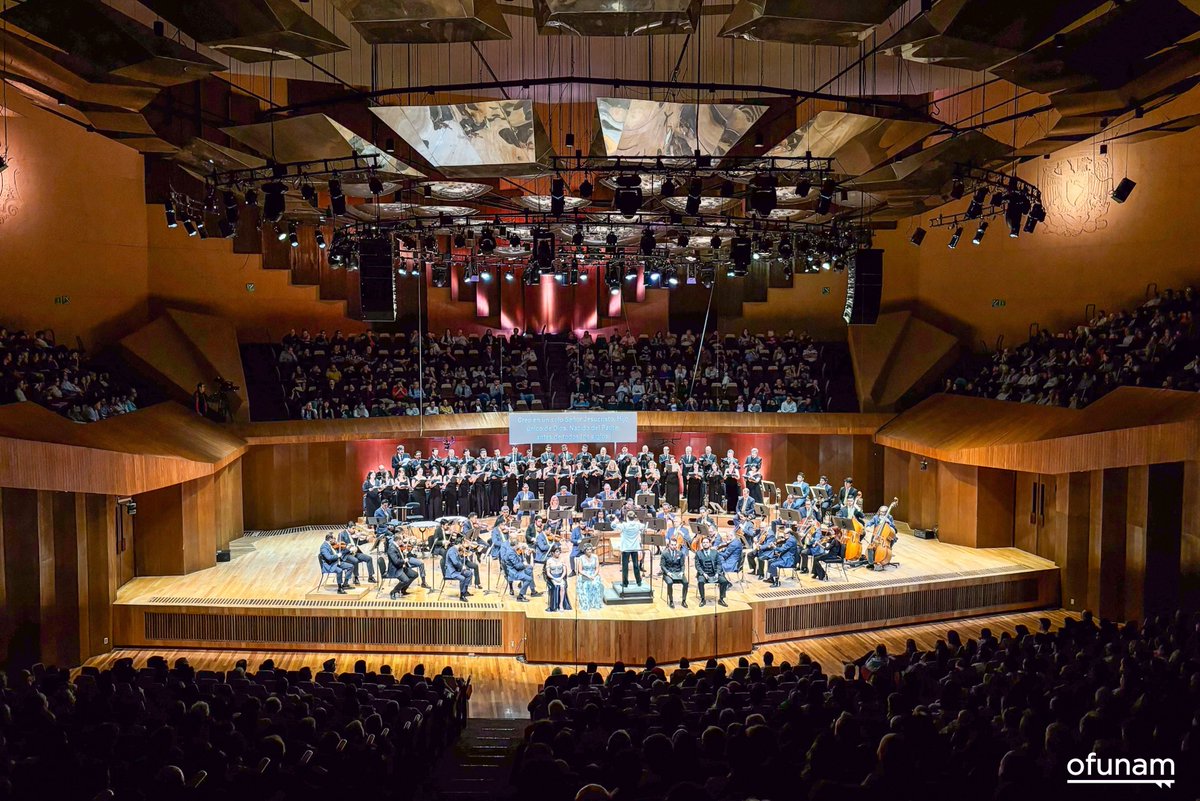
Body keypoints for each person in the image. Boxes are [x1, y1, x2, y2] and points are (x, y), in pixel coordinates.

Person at [694, 536, 730, 607]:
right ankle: (702, 599)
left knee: (724, 581)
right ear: (702, 544)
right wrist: (703, 574)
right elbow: (697, 566)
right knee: (700, 581)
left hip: (714, 573)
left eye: (706, 542)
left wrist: (717, 573)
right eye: (703, 543)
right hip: (704, 574)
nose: (705, 544)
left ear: (710, 544)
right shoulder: (698, 553)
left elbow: (719, 564)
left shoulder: (715, 552)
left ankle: (721, 599)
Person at [615, 509, 644, 588]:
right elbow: (644, 527)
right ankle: (639, 582)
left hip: (626, 548)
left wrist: (615, 521)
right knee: (636, 565)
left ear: (627, 517)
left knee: (625, 566)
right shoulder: (638, 524)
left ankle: (625, 583)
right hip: (634, 548)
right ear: (634, 517)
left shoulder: (624, 525)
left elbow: (613, 526)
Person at [443, 538, 475, 602]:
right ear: (459, 544)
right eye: (462, 544)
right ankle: (462, 596)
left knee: (469, 573)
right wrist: (462, 567)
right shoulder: (452, 551)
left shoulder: (456, 550)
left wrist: (463, 556)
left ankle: (465, 591)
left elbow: (458, 561)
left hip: (456, 570)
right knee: (462, 578)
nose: (463, 546)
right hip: (451, 572)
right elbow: (455, 562)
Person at [660, 537, 688, 609]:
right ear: (669, 545)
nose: (673, 546)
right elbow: (662, 566)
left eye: (675, 545)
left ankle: (684, 600)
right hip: (668, 573)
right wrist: (668, 573)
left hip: (678, 572)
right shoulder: (664, 553)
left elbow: (682, 565)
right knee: (669, 582)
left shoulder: (680, 553)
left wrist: (682, 572)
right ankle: (671, 601)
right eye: (672, 544)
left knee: (685, 582)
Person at [576, 543, 605, 612]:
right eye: (587, 549)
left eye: (590, 549)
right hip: (585, 574)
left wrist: (594, 575)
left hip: (593, 574)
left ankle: (595, 603)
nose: (589, 551)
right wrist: (588, 576)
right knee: (586, 584)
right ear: (585, 550)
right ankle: (586, 603)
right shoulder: (581, 558)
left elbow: (597, 568)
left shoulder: (595, 557)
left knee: (596, 583)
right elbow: (580, 570)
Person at [545, 545, 571, 612]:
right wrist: (554, 578)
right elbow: (548, 573)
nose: (558, 553)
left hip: (560, 576)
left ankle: (561, 604)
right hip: (552, 577)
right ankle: (554, 605)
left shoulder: (562, 559)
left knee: (562, 586)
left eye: (559, 552)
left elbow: (564, 571)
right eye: (557, 551)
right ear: (553, 552)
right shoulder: (549, 561)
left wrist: (561, 577)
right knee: (556, 585)